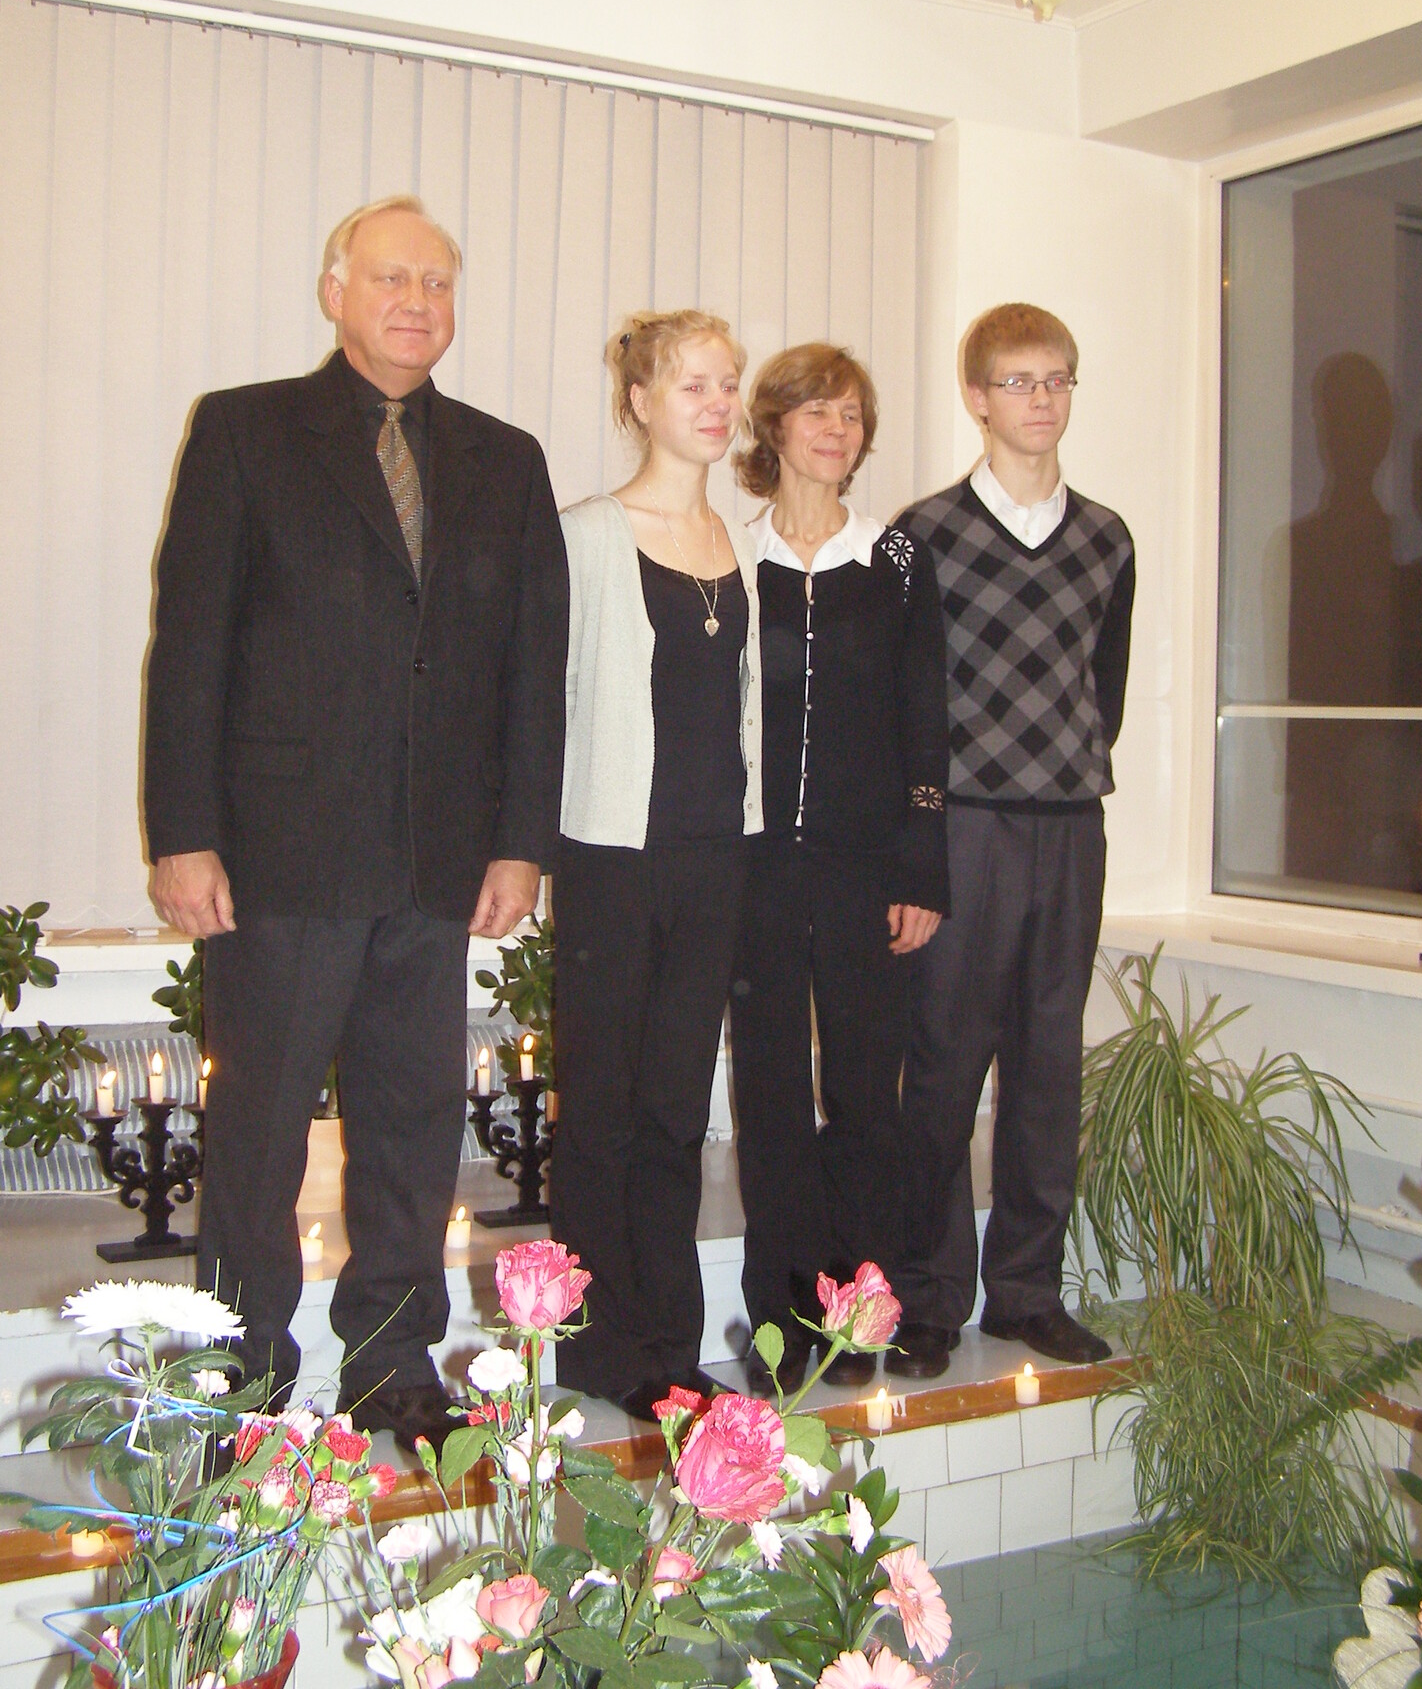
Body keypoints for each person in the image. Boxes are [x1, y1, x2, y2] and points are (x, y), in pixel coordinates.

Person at [144, 195, 568, 1449]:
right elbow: (190, 646)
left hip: (438, 860)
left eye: (437, 282)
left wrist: (521, 840)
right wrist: (182, 831)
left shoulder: (505, 458)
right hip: (279, 855)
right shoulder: (245, 430)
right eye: (391, 278)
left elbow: (532, 671)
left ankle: (393, 1365)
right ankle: (242, 1376)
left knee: (412, 1128)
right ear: (335, 291)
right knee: (259, 1133)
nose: (416, 303)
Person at [886, 302, 1134, 1381]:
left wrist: (1060, 773)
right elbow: (903, 702)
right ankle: (928, 1295)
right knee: (942, 1067)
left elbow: (1104, 688)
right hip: (965, 828)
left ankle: (1028, 1291)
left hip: (1070, 828)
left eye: (1057, 379)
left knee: (1048, 1068)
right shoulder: (923, 534)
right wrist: (920, 841)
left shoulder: (1108, 538)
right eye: (1019, 381)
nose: (1042, 400)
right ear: (977, 396)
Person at [548, 309, 762, 1421]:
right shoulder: (586, 534)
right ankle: (597, 1349)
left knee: (678, 1110)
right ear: (639, 401)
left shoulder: (741, 543)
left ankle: (671, 1345)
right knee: (603, 1110)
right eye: (692, 385)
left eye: (728, 384)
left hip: (716, 858)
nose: (718, 404)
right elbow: (539, 700)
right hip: (610, 856)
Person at [727, 344, 949, 1396]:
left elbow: (925, 717)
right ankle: (782, 1324)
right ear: (773, 426)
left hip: (871, 872)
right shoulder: (728, 552)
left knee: (866, 1095)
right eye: (815, 410)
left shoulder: (898, 560)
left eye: (852, 414)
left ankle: (864, 1313)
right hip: (756, 870)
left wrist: (924, 869)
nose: (835, 429)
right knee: (770, 1098)